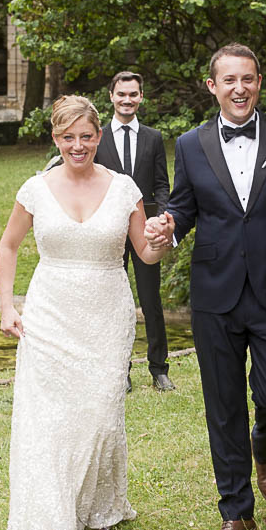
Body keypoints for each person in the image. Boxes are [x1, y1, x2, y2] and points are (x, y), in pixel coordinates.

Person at [146, 43, 266, 530]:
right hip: (215, 295)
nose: (239, 88)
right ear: (212, 86)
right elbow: (182, 208)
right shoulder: (190, 144)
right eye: (229, 80)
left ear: (260, 82)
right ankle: (236, 512)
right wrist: (169, 228)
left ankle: (265, 450)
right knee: (222, 406)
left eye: (248, 79)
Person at [0, 95, 170, 530]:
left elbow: (145, 254)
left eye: (86, 136)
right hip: (49, 314)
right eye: (68, 137)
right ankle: (57, 522)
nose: (78, 146)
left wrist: (162, 239)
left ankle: (97, 506)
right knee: (52, 420)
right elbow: (9, 246)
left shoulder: (124, 189)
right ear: (56, 138)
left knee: (98, 415)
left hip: (106, 315)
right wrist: (8, 306)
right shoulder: (34, 188)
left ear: (99, 137)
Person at [95, 71, 175, 392]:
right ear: (111, 97)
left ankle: (159, 369)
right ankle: (120, 370)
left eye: (133, 94)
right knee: (113, 302)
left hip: (145, 229)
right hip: (109, 231)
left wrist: (163, 218)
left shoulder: (154, 138)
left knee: (150, 299)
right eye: (121, 94)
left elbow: (161, 185)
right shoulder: (98, 138)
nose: (127, 100)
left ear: (141, 97)